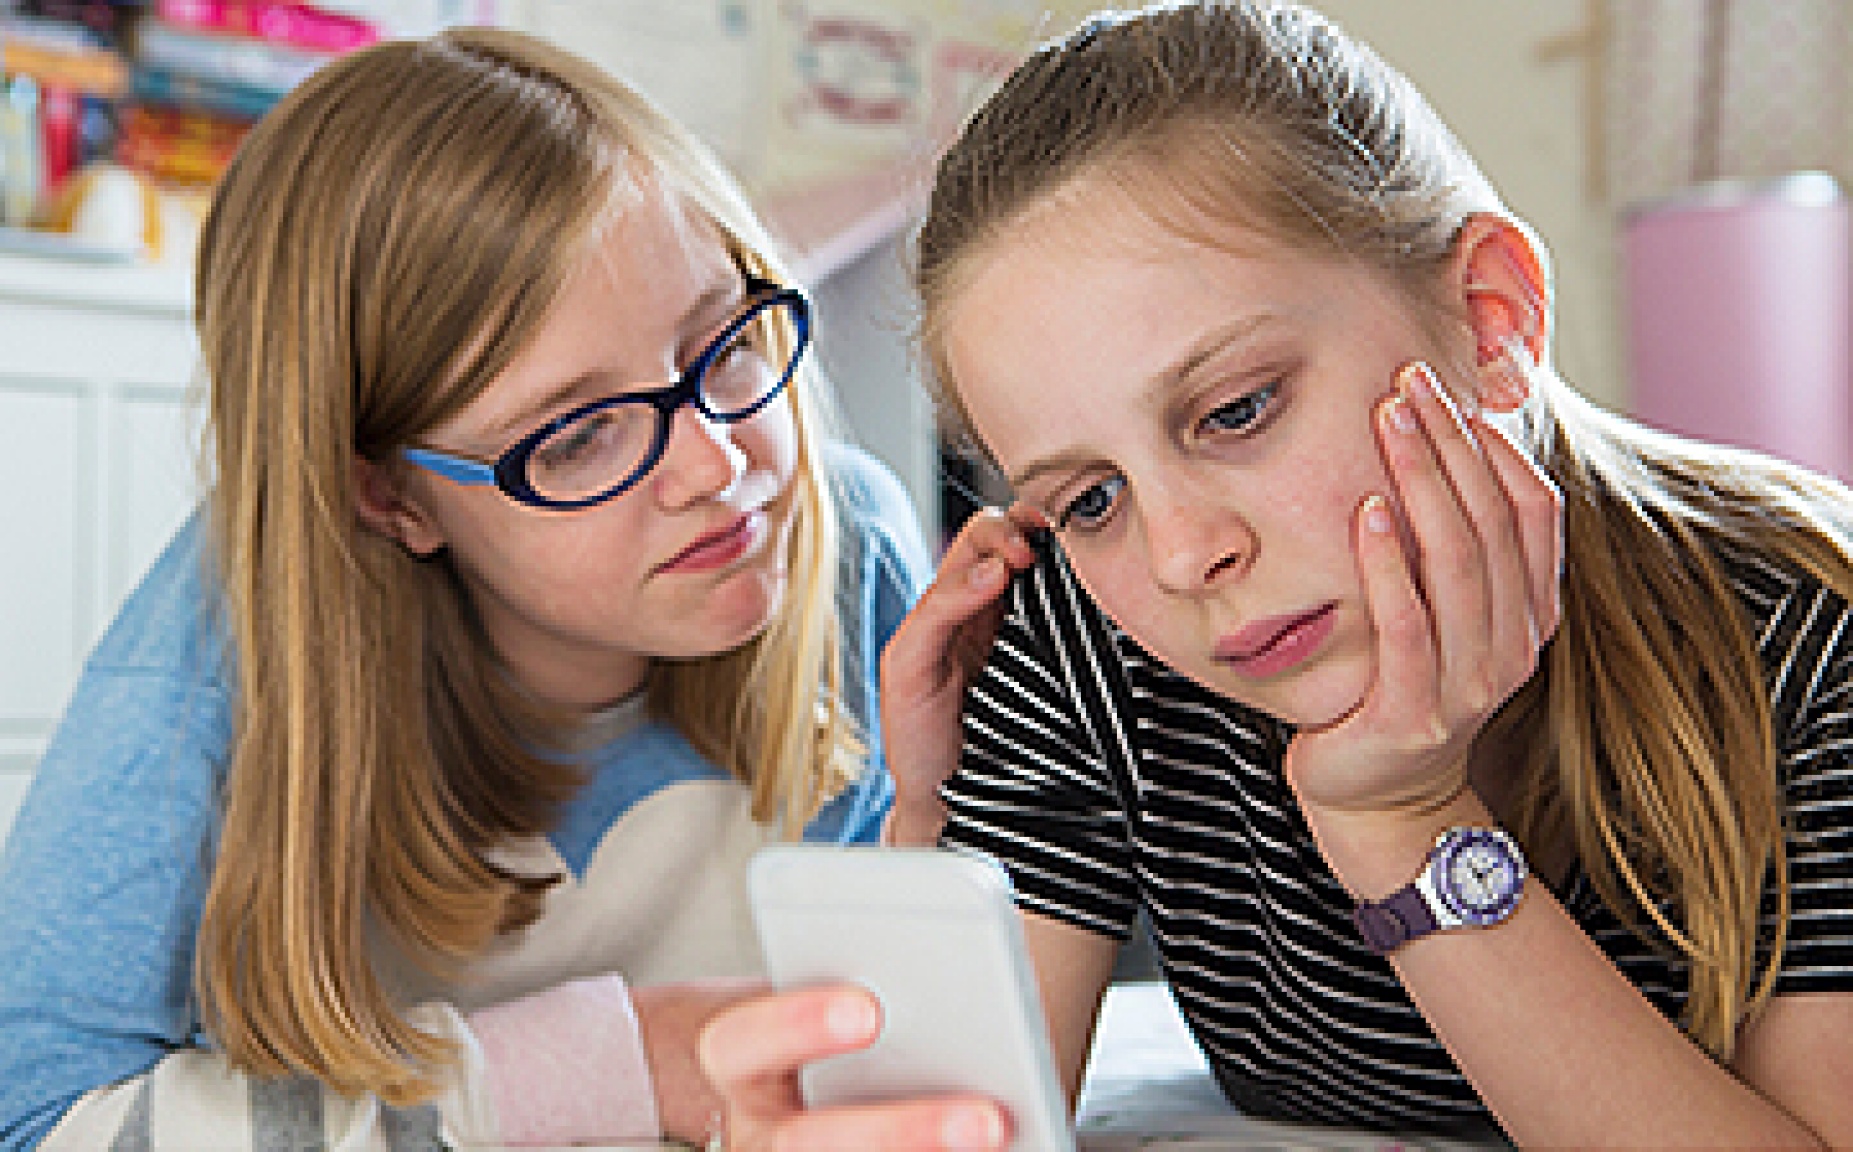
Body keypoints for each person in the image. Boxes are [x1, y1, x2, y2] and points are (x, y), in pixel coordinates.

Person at [701, 2, 1853, 1148]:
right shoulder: (1086, 631)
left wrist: (1402, 829)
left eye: (1236, 411)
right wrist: (927, 824)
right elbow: (947, 1129)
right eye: (1089, 499)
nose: (1182, 553)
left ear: (1488, 318)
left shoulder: (1810, 642)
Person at [0, 26, 936, 1151]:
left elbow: (914, 1039)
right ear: (387, 498)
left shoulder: (850, 548)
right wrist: (625, 1063)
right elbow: (34, 1117)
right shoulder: (229, 637)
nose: (719, 466)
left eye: (723, 345)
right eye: (582, 434)